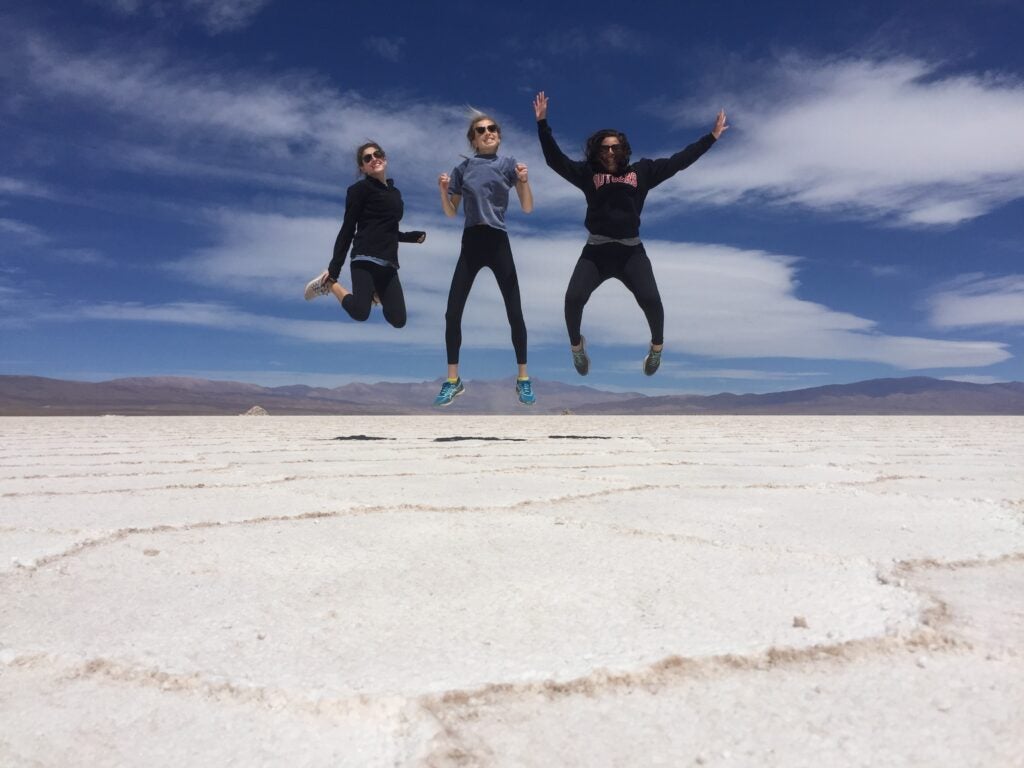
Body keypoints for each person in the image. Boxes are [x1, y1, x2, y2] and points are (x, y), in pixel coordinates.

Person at [532, 91, 727, 376]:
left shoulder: (643, 171)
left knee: (652, 302)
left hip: (630, 252)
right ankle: (577, 348)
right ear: (596, 151)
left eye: (615, 147)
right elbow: (555, 160)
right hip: (596, 252)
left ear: (624, 149)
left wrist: (710, 138)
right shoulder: (588, 174)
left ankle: (656, 350)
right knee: (573, 300)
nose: (610, 152)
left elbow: (679, 161)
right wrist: (542, 124)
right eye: (604, 148)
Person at [434, 112, 536, 407]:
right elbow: (452, 212)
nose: (488, 132)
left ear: (499, 135)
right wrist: (444, 192)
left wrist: (525, 181)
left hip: (498, 240)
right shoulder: (462, 169)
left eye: (492, 129)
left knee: (514, 311)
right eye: (481, 130)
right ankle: (453, 381)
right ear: (473, 139)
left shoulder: (508, 165)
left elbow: (528, 207)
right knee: (452, 313)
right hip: (471, 242)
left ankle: (523, 379)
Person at [304, 141, 425, 330]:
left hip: (389, 263)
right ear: (363, 167)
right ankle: (328, 283)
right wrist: (334, 269)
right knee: (361, 312)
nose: (374, 159)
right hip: (364, 258)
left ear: (384, 158)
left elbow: (386, 229)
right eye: (367, 158)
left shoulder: (395, 194)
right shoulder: (359, 190)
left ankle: (376, 293)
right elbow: (348, 228)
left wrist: (410, 237)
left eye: (377, 154)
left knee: (398, 320)